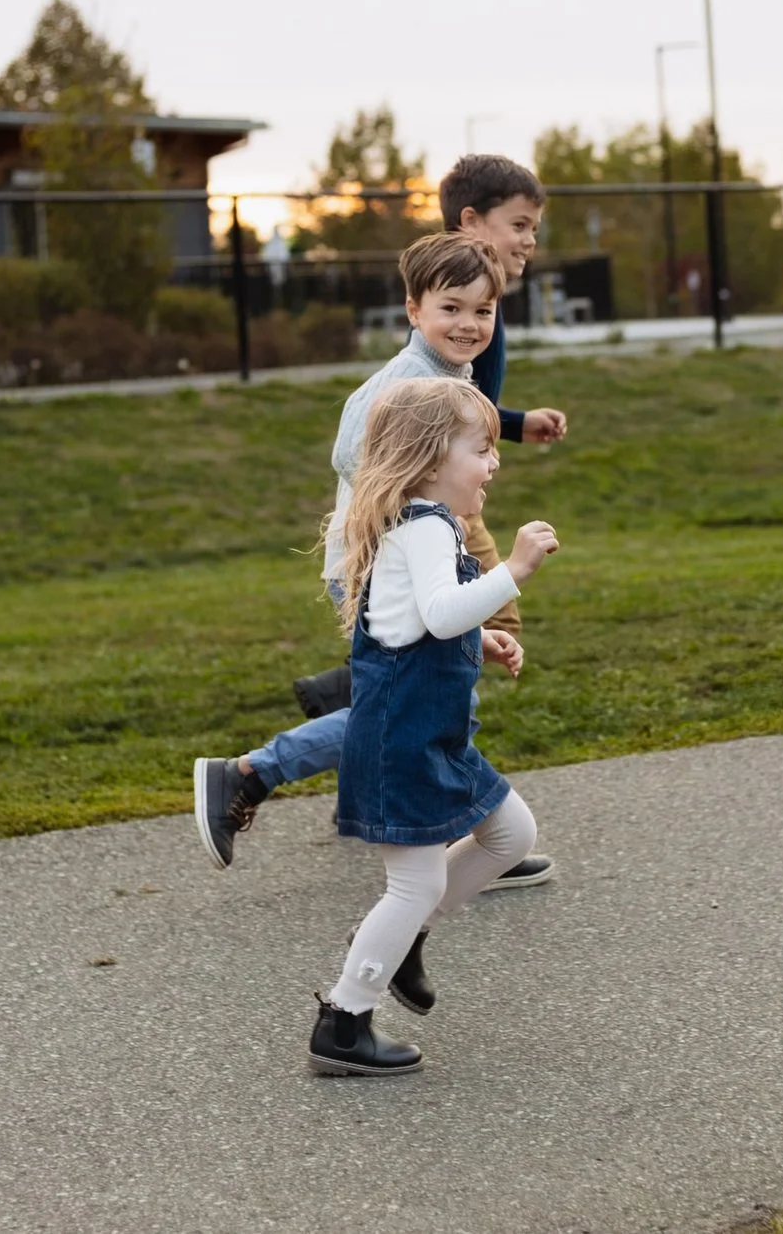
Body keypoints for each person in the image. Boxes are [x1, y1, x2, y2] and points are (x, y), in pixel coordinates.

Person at [194, 158, 568, 884]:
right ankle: (251, 773)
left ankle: (468, 833)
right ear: (413, 310)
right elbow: (351, 448)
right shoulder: (408, 381)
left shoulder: (448, 371)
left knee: (427, 697)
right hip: (377, 564)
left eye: (481, 312)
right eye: (451, 310)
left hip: (408, 556)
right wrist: (412, 519)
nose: (468, 324)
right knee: (416, 706)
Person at [305, 377, 558, 1075]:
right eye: (481, 448)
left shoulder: (426, 526)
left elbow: (423, 624)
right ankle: (345, 1019)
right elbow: (441, 613)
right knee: (411, 884)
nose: (494, 460)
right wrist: (515, 569)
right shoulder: (419, 527)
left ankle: (401, 937)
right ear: (426, 460)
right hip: (402, 742)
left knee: (512, 833)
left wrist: (482, 641)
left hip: (429, 734)